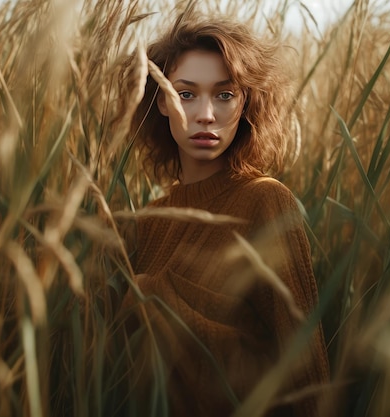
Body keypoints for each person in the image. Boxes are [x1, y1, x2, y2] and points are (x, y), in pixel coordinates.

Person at [114, 10, 330, 417]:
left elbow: (305, 370)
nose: (206, 114)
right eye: (186, 94)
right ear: (162, 101)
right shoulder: (146, 222)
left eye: (224, 94)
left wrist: (160, 297)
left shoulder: (266, 202)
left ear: (245, 101)